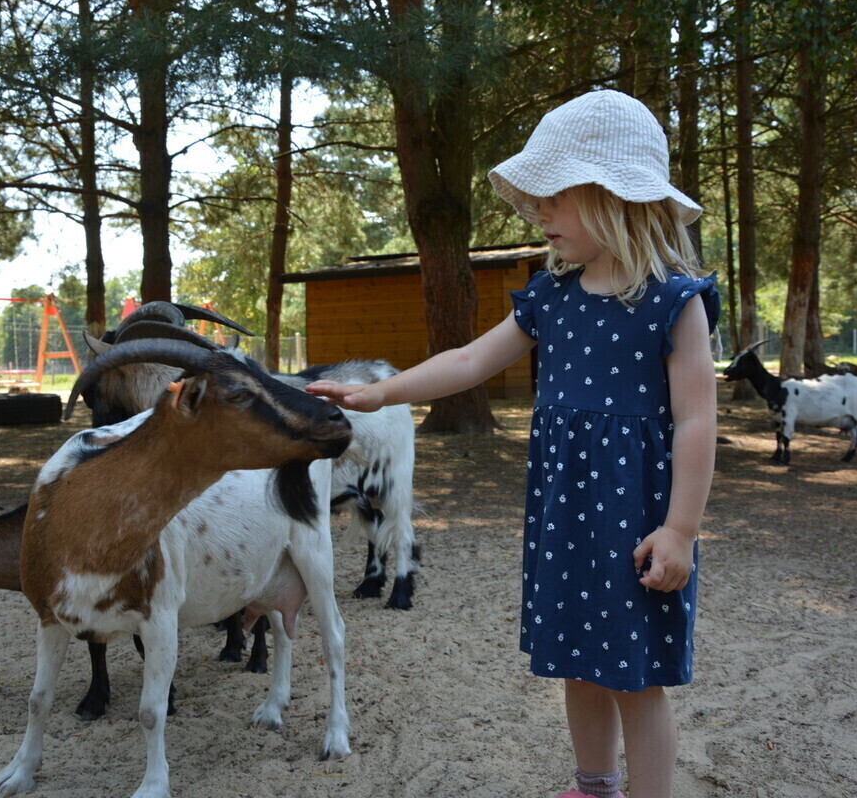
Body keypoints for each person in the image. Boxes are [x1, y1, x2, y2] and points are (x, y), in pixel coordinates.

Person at [306, 89, 718, 798]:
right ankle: (594, 787)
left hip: (637, 528)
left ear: (612, 194)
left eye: (554, 198)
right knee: (577, 664)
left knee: (636, 678)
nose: (539, 213)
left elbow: (698, 421)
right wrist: (381, 391)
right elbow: (468, 361)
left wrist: (680, 529)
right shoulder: (549, 298)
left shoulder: (673, 302)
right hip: (567, 522)